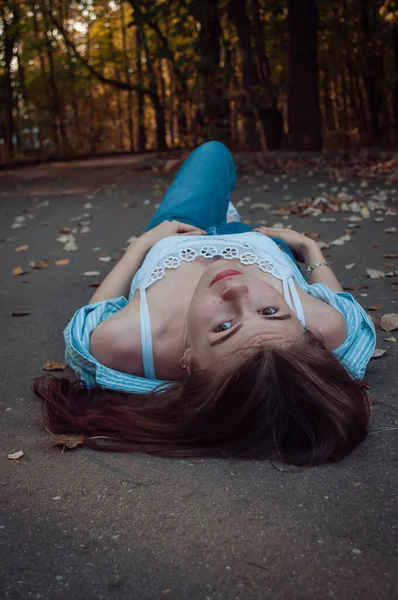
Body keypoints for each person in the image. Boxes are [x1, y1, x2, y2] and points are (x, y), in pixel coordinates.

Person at [32, 142, 376, 466]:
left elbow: (93, 315)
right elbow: (338, 302)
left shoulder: (127, 343)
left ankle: (218, 213)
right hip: (255, 240)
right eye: (270, 312)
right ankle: (227, 218)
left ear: (189, 362)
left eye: (223, 327)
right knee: (219, 167)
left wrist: (141, 246)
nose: (236, 288)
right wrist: (309, 248)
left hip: (179, 233)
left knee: (211, 154)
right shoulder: (324, 329)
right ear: (305, 330)